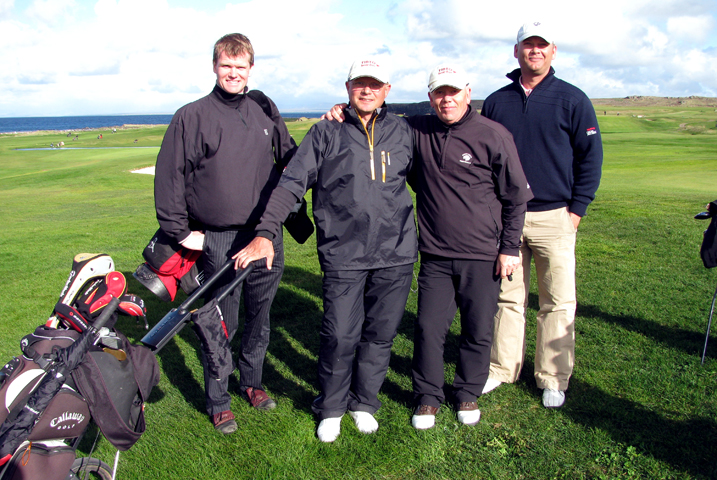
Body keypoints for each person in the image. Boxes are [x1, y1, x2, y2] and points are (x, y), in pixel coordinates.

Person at [321, 64, 532, 430]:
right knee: (428, 330)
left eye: (453, 92)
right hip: (434, 253)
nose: (446, 99)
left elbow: (515, 197)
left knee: (478, 329)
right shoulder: (417, 129)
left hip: (483, 253)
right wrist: (342, 110)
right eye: (439, 93)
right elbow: (375, 118)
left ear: (468, 92)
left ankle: (467, 392)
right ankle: (428, 396)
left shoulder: (493, 134)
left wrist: (509, 247)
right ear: (430, 97)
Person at [234, 58, 417, 442]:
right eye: (359, 83)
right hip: (344, 254)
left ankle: (364, 402)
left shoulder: (403, 130)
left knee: (380, 335)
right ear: (347, 88)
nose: (367, 90)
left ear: (387, 90)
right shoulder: (325, 131)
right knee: (340, 336)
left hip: (396, 253)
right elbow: (291, 184)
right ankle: (332, 407)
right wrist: (265, 232)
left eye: (375, 84)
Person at [154, 33, 297, 434]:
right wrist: (181, 232)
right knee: (221, 324)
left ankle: (251, 383)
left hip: (266, 235)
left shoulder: (264, 108)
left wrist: (332, 125)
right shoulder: (191, 116)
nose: (233, 73)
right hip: (218, 239)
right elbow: (170, 177)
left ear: (251, 68)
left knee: (260, 319)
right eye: (226, 66)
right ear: (215, 67)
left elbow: (291, 157)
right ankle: (219, 400)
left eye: (240, 66)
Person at [480, 21, 603, 408]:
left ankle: (552, 376)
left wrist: (576, 210)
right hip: (507, 218)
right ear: (516, 51)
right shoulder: (497, 101)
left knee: (558, 301)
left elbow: (590, 159)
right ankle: (502, 368)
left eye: (541, 45)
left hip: (555, 216)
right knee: (507, 299)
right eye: (527, 45)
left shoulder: (573, 99)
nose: (535, 50)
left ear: (553, 51)